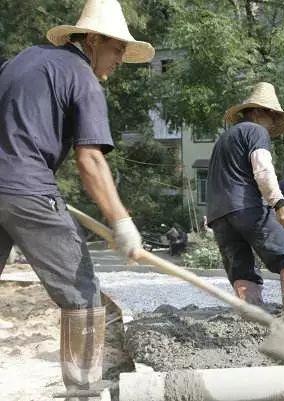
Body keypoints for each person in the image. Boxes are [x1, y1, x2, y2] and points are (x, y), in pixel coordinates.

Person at [0, 0, 154, 396]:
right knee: (82, 292)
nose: (120, 59)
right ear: (91, 39)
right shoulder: (80, 75)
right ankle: (85, 392)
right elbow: (90, 161)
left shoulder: (20, 62)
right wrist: (121, 221)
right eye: (117, 48)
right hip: (27, 188)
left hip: (12, 186)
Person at [206, 82, 284, 307]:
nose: (274, 122)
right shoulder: (255, 131)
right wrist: (280, 203)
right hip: (246, 207)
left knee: (241, 266)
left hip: (218, 215)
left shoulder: (224, 139)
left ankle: (251, 313)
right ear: (257, 112)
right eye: (273, 115)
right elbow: (263, 169)